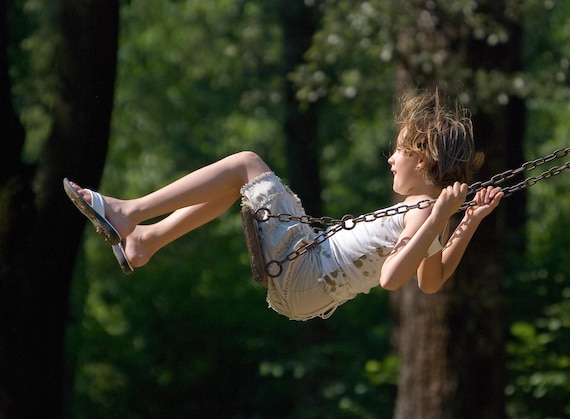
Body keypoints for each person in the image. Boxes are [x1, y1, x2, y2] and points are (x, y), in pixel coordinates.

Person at [64, 89, 503, 321]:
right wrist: (469, 223)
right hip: (305, 288)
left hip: (305, 269)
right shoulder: (429, 214)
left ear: (422, 159)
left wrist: (446, 218)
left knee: (246, 164)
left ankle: (130, 213)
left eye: (401, 150)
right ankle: (147, 239)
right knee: (238, 183)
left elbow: (393, 279)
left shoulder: (425, 211)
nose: (391, 158)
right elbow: (433, 278)